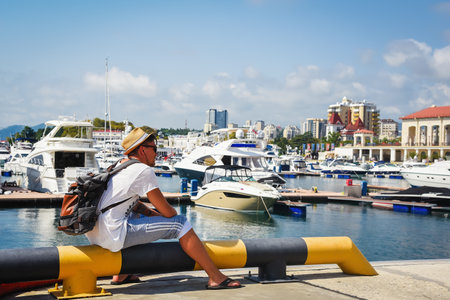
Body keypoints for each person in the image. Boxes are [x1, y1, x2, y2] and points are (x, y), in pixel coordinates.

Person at [85, 127, 241, 289]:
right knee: (180, 223)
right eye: (154, 148)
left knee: (138, 216)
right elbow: (168, 212)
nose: (157, 153)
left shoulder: (119, 165)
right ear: (142, 150)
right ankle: (215, 277)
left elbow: (132, 205)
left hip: (96, 233)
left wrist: (152, 215)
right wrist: (164, 217)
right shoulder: (142, 170)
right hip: (112, 235)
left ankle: (122, 273)